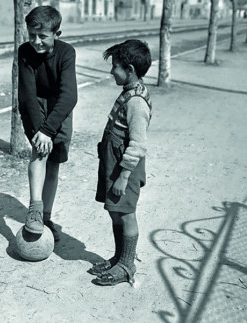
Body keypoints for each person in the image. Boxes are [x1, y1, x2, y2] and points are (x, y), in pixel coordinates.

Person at [88, 40, 152, 286]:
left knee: (126, 214)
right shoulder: (129, 91)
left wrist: (124, 176)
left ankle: (127, 266)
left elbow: (137, 144)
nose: (111, 71)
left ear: (130, 68)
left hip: (126, 169)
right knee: (115, 212)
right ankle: (119, 257)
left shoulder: (136, 102)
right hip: (114, 164)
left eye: (115, 66)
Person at [18, 5, 78, 241]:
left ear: (56, 34)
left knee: (53, 164)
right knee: (39, 153)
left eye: (42, 36)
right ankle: (34, 209)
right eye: (32, 35)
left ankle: (46, 215)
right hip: (35, 110)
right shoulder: (25, 52)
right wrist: (39, 131)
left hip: (59, 111)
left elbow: (69, 96)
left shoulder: (67, 53)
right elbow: (27, 95)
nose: (36, 41)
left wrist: (49, 128)